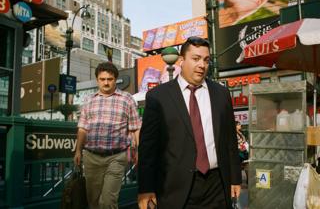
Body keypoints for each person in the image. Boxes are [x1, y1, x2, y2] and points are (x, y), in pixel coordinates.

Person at [138, 36, 242, 209]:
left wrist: (235, 178)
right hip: (175, 188)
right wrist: (146, 188)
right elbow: (148, 147)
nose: (202, 65)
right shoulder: (159, 97)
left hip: (217, 185)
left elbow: (230, 139)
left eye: (206, 60)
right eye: (195, 58)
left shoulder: (221, 93)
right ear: (181, 61)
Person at [73, 62, 141, 209]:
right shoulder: (88, 100)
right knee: (94, 202)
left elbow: (136, 128)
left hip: (116, 157)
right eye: (102, 79)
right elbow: (82, 128)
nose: (106, 82)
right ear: (97, 80)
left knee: (108, 202)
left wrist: (139, 151)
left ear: (115, 79)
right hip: (91, 157)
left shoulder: (127, 99)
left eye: (109, 79)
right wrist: (78, 150)